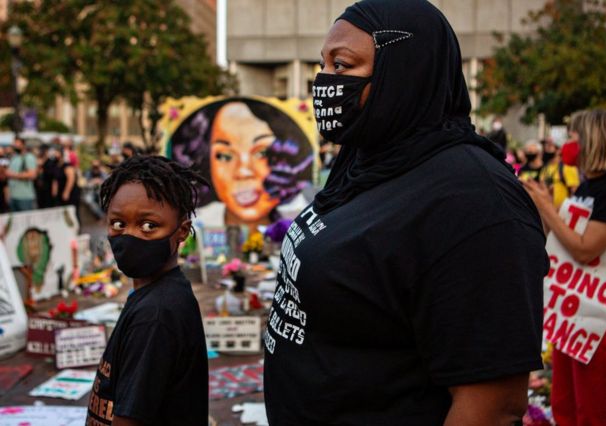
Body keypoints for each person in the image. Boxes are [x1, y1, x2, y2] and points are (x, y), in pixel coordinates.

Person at [263, 1, 549, 425]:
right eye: (322, 65)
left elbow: (493, 405)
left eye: (342, 66)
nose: (324, 82)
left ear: (406, 73)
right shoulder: (368, 157)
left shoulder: (474, 202)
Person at [524, 109, 606, 425]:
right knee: (565, 406)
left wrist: (549, 210)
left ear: (593, 141)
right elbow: (563, 246)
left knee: (594, 412)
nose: (567, 145)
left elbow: (586, 250)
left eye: (573, 138)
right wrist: (547, 211)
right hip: (573, 318)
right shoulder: (589, 188)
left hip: (598, 320)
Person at [87, 156, 209, 426]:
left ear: (182, 231)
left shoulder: (154, 316)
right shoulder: (157, 295)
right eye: (118, 224)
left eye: (149, 226)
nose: (130, 236)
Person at [169, 98, 315, 231]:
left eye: (261, 153)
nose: (243, 171)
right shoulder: (194, 225)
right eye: (225, 156)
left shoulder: (303, 220)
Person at [539, 142, 580, 209]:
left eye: (549, 147)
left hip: (563, 212)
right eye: (545, 147)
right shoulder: (544, 168)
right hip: (547, 211)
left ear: (558, 151)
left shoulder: (568, 167)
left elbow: (576, 193)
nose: (546, 149)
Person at [6, 137, 38, 211]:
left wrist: (13, 175)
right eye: (14, 143)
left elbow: (32, 175)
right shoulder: (14, 158)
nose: (14, 145)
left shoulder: (29, 157)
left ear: (23, 145)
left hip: (25, 197)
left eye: (17, 143)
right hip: (13, 196)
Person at [51, 146, 80, 221]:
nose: (55, 155)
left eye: (57, 153)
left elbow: (71, 179)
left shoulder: (67, 165)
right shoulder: (56, 165)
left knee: (72, 212)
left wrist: (66, 192)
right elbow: (55, 179)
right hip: (60, 192)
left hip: (70, 193)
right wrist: (55, 191)